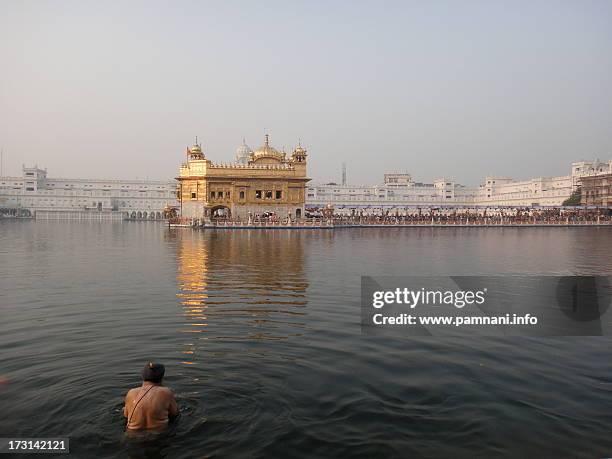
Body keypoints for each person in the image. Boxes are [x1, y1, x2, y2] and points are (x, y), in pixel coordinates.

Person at [123, 362, 179, 431]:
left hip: (132, 436)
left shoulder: (131, 393)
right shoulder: (166, 392)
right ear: (162, 377)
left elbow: (125, 415)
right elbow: (174, 413)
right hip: (158, 435)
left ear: (142, 376)